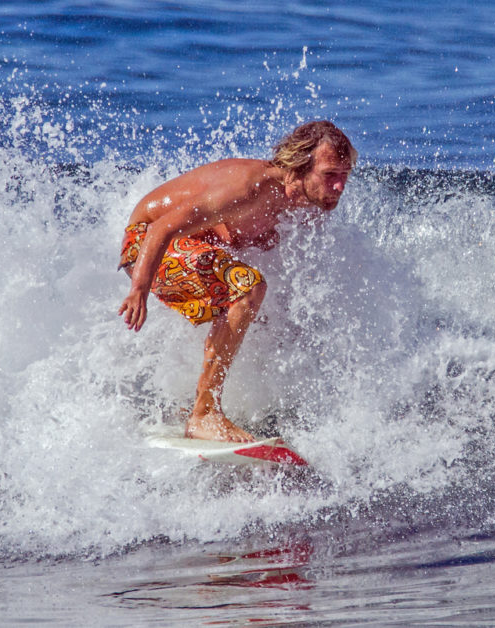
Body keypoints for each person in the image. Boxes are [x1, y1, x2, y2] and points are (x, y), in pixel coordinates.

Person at [118, 121, 356, 442]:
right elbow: (161, 229)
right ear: (299, 167)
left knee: (264, 311)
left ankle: (194, 406)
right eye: (330, 174)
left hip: (188, 250)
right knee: (248, 287)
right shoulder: (250, 189)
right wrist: (138, 290)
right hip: (145, 244)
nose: (339, 186)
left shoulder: (308, 204)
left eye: (344, 174)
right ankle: (204, 414)